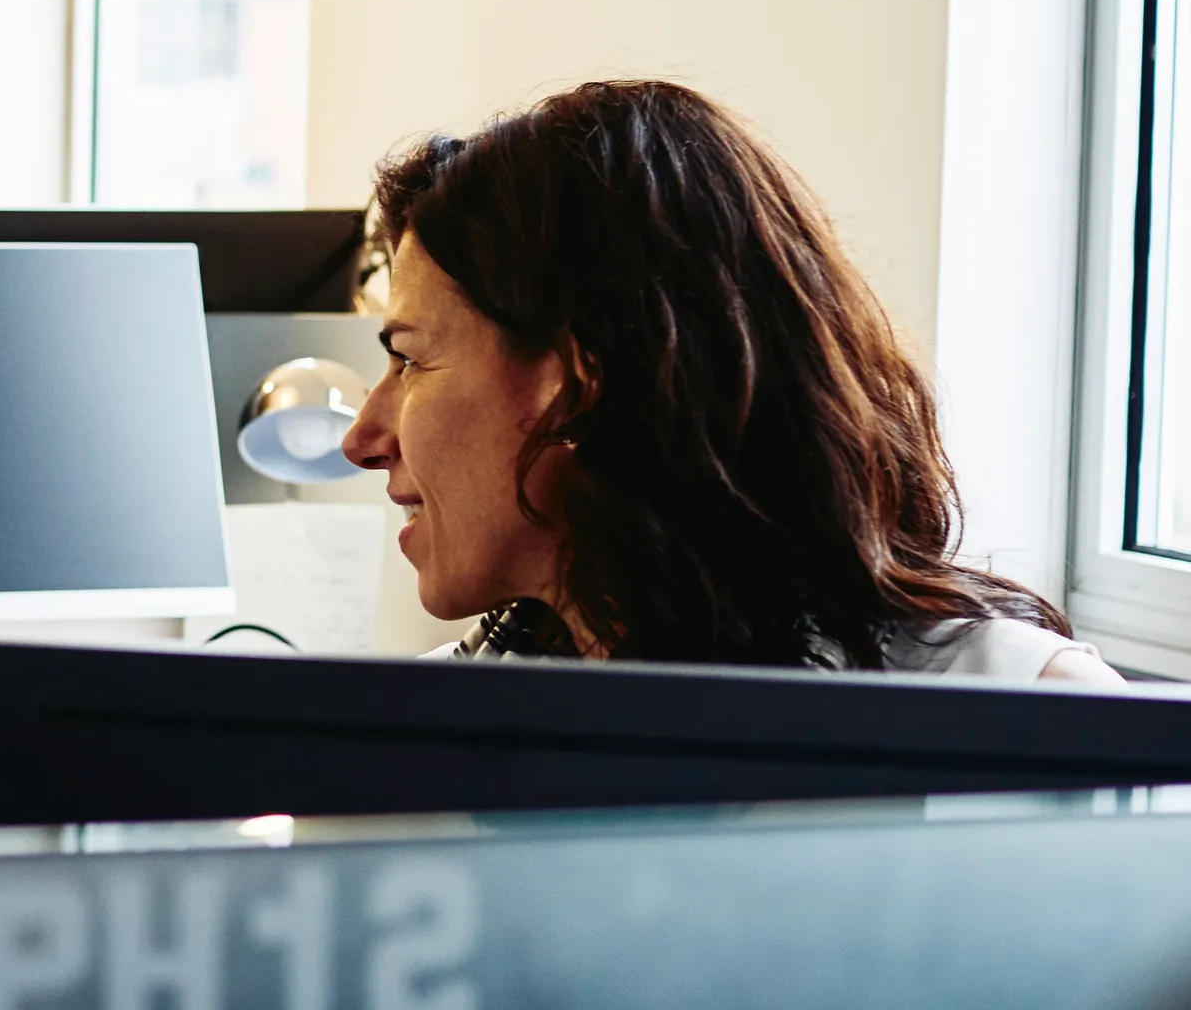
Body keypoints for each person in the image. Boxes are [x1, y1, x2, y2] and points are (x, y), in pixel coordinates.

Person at [342, 79, 1120, 683]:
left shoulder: (1019, 708)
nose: (363, 440)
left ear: (578, 382)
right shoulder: (429, 730)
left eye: (409, 358)